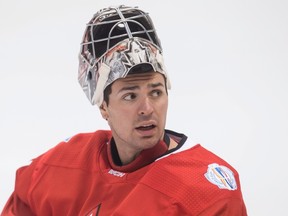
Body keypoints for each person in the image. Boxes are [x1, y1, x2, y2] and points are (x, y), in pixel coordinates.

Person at [1, 5, 247, 216]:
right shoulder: (64, 163)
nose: (147, 109)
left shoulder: (204, 190)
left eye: (156, 92)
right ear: (104, 106)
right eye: (130, 96)